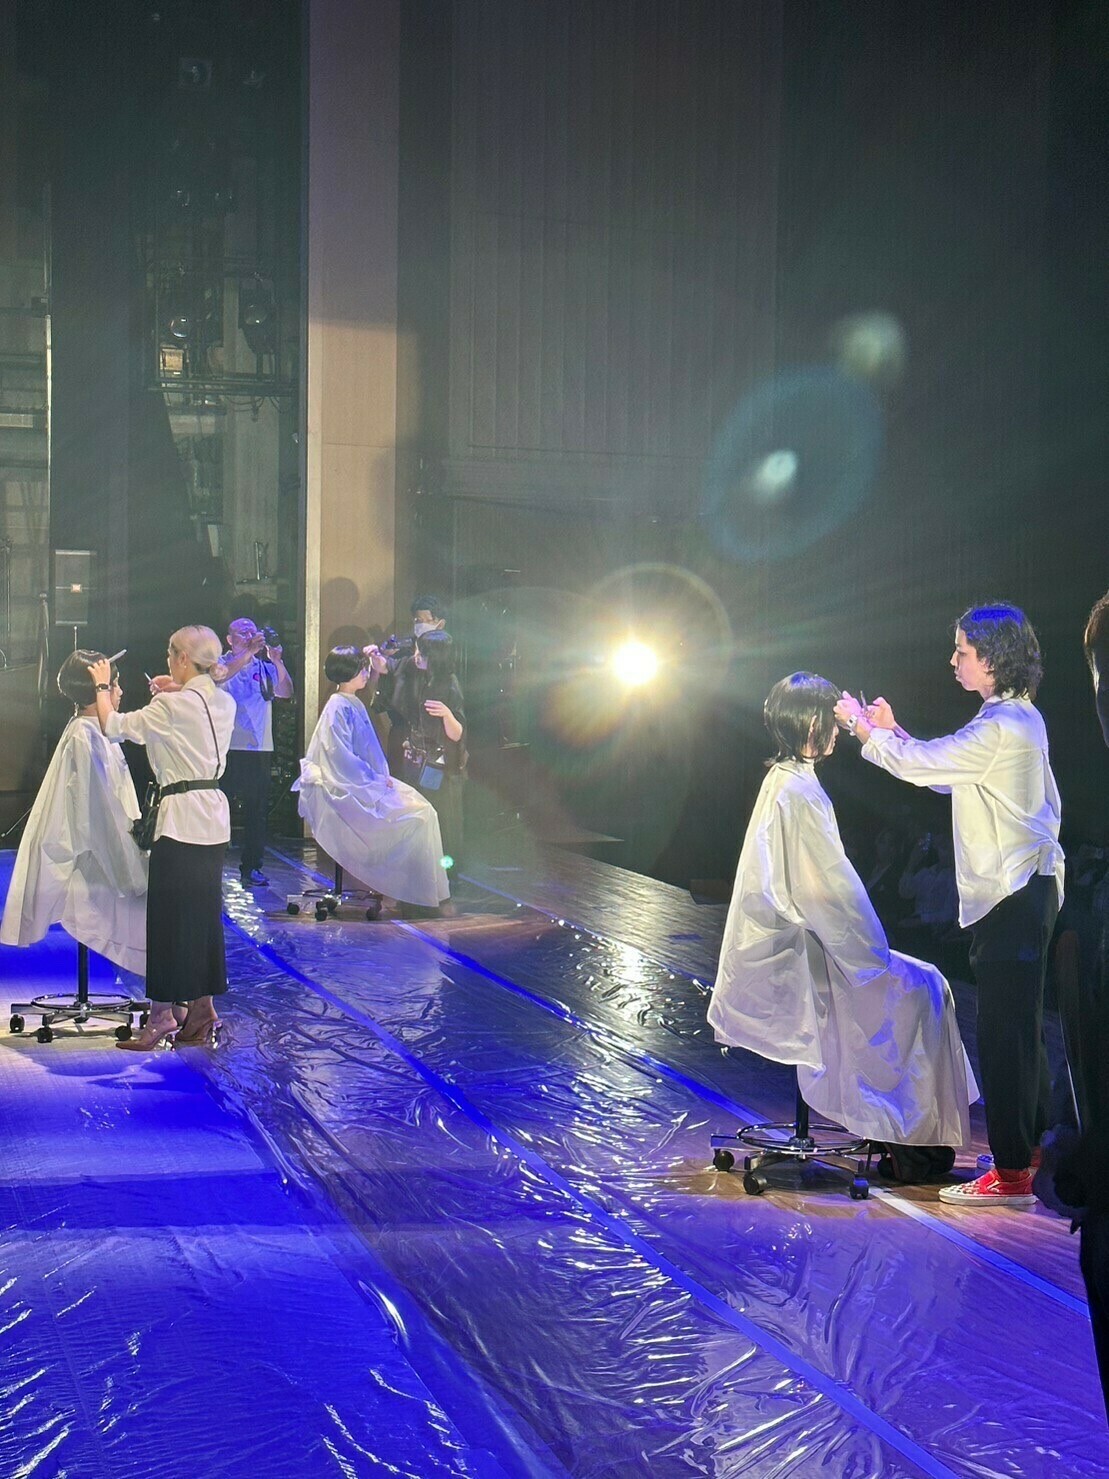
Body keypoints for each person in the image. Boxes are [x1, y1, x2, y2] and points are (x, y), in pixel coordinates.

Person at [836, 602, 1064, 1207]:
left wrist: (866, 732)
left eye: (963, 651)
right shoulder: (1011, 719)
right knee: (1021, 1030)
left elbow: (926, 767)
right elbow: (946, 770)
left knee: (1006, 1035)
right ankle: (1028, 1152)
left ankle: (1012, 1175)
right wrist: (894, 734)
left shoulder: (1002, 726)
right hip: (1025, 891)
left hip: (1013, 894)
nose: (954, 660)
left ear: (992, 658)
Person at [708, 673, 977, 1151]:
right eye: (832, 721)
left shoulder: (785, 781)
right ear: (813, 724)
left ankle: (916, 1135)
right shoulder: (799, 792)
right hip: (805, 952)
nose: (838, 731)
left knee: (924, 982)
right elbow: (828, 892)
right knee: (929, 988)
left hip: (797, 944)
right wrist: (871, 954)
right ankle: (913, 1136)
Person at [88, 626, 235, 1050]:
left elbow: (113, 725)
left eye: (171, 655)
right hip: (213, 818)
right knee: (203, 918)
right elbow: (192, 712)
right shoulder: (222, 701)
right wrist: (174, 690)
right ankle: (202, 1009)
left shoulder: (172, 705)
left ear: (183, 659)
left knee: (168, 919)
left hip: (181, 821)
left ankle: (161, 1015)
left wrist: (102, 685)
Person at [1, 650, 147, 975]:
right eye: (114, 685)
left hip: (98, 849)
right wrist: (132, 866)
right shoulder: (86, 735)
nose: (121, 692)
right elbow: (99, 814)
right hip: (90, 859)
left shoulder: (92, 730)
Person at [293, 647, 449, 909]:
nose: (367, 674)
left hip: (365, 781)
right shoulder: (338, 706)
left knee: (425, 811)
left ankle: (418, 891)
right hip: (345, 787)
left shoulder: (353, 703)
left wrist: (380, 777)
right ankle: (403, 889)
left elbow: (369, 751)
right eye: (363, 669)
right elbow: (340, 758)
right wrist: (375, 781)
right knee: (417, 816)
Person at [217, 617, 294, 887]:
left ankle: (252, 867)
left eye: (252, 631)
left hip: (259, 748)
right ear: (230, 639)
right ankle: (214, 865)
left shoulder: (264, 666)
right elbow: (220, 677)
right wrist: (248, 653)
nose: (249, 635)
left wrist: (277, 661)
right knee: (220, 808)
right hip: (226, 747)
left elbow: (286, 692)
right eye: (242, 632)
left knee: (256, 811)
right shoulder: (220, 663)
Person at [386, 630, 466, 866]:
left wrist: (447, 714)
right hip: (416, 761)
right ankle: (422, 865)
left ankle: (446, 869)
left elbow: (458, 733)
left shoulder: (450, 684)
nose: (416, 656)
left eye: (421, 652)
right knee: (417, 812)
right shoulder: (419, 677)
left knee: (441, 816)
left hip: (437, 765)